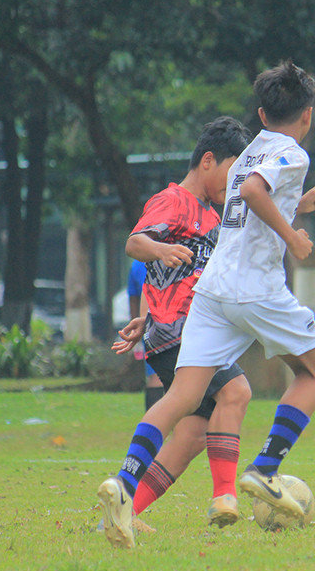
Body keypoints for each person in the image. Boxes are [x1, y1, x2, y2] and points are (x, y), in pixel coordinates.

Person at [98, 61, 315, 549]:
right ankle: (263, 470)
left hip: (211, 292)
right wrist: (293, 237)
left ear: (263, 111)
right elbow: (250, 194)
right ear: (306, 116)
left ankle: (124, 484)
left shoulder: (248, 152)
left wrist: (298, 205)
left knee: (184, 401)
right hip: (253, 287)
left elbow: (243, 203)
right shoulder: (291, 152)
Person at [98, 116, 253, 548]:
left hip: (178, 329)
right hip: (183, 333)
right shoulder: (174, 199)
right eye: (233, 171)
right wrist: (161, 247)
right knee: (236, 392)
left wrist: (145, 317)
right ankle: (224, 497)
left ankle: (123, 508)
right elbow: (136, 243)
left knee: (193, 432)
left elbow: (174, 279)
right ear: (208, 160)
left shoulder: (211, 214)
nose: (236, 182)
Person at [126, 260, 165, 410]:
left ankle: (152, 425)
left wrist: (135, 327)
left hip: (146, 325)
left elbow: (133, 297)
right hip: (172, 322)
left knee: (154, 376)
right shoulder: (173, 254)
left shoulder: (137, 263)